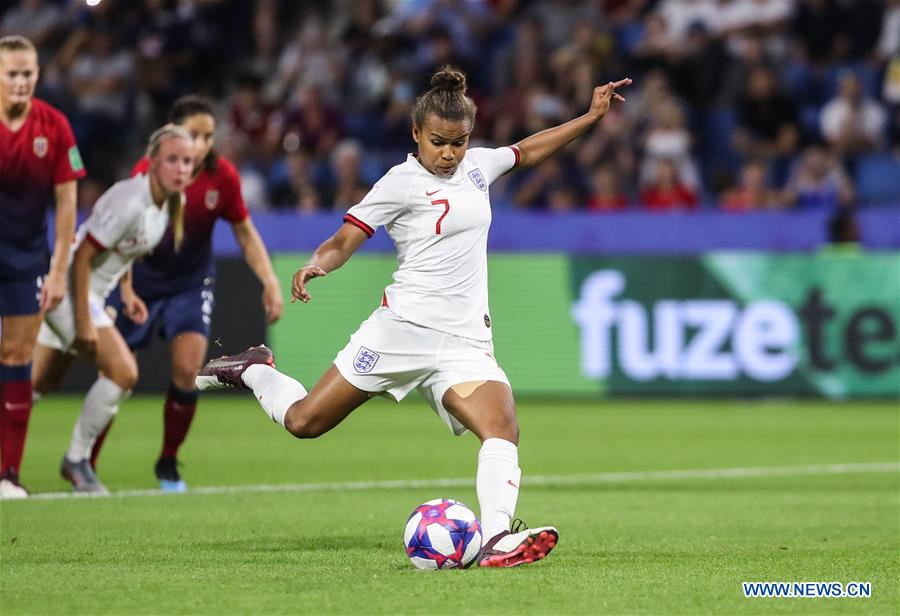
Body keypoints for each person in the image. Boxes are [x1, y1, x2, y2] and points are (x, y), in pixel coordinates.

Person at [196, 67, 631, 567]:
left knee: (502, 426)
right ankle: (254, 369)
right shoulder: (400, 183)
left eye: (459, 142)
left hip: (465, 340)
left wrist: (591, 117)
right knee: (304, 422)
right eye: (439, 142)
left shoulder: (477, 168)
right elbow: (345, 239)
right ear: (416, 134)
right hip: (400, 332)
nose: (449, 154)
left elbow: (527, 150)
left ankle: (495, 540)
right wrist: (317, 262)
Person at [89, 96, 284, 492]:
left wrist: (270, 280)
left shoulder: (223, 177)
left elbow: (245, 233)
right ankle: (84, 463)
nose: (200, 144)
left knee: (186, 370)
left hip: (190, 286)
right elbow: (124, 236)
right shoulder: (147, 172)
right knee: (113, 376)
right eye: (193, 135)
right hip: (139, 284)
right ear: (173, 134)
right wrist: (124, 289)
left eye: (208, 136)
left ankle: (168, 463)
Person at [31, 125, 194, 494]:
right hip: (69, 292)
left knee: (38, 383)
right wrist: (86, 321)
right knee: (123, 372)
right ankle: (76, 461)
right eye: (172, 160)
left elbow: (123, 250)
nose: (181, 169)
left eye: (187, 162)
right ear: (152, 163)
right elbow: (82, 257)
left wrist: (127, 289)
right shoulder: (129, 200)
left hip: (89, 295)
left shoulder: (169, 203)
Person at [0, 35, 84, 499]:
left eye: (27, 73)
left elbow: (67, 200)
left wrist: (57, 270)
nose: (20, 81)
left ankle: (7, 474)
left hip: (25, 259)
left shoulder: (54, 126)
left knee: (16, 358)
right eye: (11, 73)